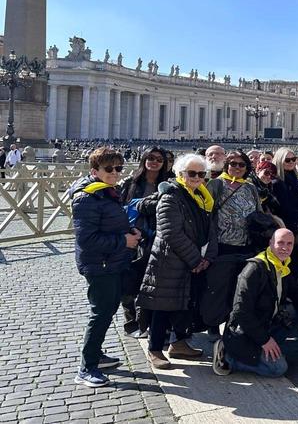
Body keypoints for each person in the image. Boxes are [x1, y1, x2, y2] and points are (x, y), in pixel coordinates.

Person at [137, 153, 217, 370]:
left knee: (186, 304)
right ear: (181, 174)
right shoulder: (171, 196)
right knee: (162, 305)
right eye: (192, 173)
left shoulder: (202, 196)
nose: (197, 177)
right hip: (169, 260)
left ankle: (179, 343)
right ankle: (155, 349)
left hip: (192, 260)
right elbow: (171, 233)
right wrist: (195, 259)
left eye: (201, 174)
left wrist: (207, 257)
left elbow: (211, 230)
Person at [70, 148, 140, 387]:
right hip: (99, 264)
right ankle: (86, 368)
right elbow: (86, 240)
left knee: (107, 310)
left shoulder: (107, 192)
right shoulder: (87, 197)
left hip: (110, 261)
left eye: (118, 168)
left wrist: (129, 233)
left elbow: (108, 224)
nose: (115, 173)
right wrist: (124, 241)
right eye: (108, 169)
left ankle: (96, 356)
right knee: (100, 313)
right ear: (94, 171)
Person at [213, 229, 298, 377]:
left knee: (297, 313)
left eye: (289, 244)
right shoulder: (254, 270)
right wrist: (265, 340)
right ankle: (228, 356)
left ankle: (269, 351)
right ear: (270, 243)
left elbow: (297, 293)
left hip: (266, 322)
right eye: (280, 243)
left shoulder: (283, 264)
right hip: (242, 333)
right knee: (278, 368)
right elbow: (240, 312)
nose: (285, 248)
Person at [119, 146, 171, 338]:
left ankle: (151, 323)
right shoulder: (130, 183)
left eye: (159, 158)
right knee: (129, 282)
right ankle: (132, 323)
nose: (154, 161)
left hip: (157, 237)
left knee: (153, 283)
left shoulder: (168, 184)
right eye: (150, 157)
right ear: (143, 159)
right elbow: (120, 210)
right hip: (133, 238)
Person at [206, 150, 260, 256]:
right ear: (227, 165)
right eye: (233, 164)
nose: (237, 167)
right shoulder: (216, 184)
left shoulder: (250, 187)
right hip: (221, 244)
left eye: (242, 165)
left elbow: (259, 211)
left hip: (247, 244)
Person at [271, 148, 298, 235]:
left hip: (294, 221)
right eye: (287, 160)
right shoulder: (276, 181)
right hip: (283, 224)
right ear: (279, 161)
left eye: (293, 159)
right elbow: (283, 206)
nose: (291, 162)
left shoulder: (293, 176)